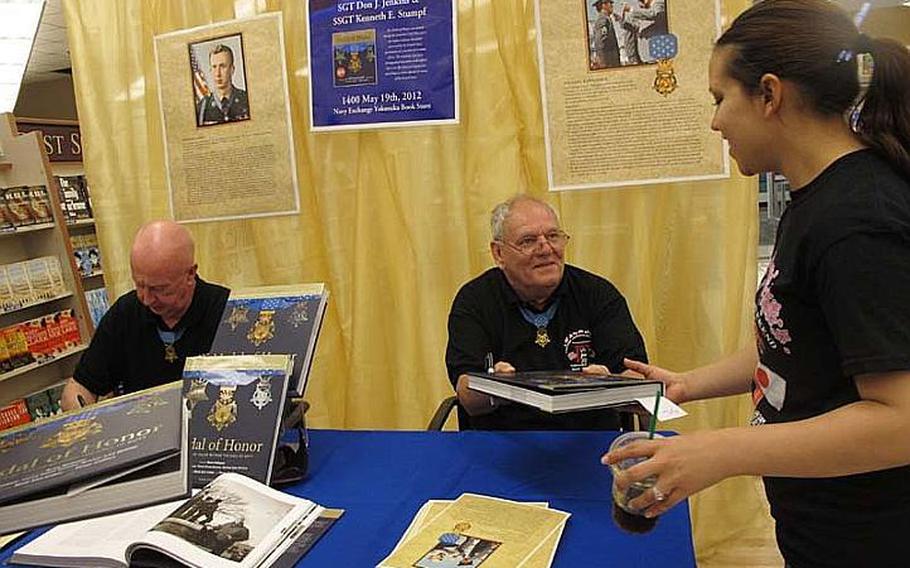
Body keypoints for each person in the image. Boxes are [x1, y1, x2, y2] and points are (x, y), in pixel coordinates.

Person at [602, 1, 910, 565]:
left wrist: (721, 451)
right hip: (817, 520)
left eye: (721, 99)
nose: (715, 121)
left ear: (769, 95)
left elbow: (901, 421)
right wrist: (689, 384)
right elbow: (793, 337)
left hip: (872, 536)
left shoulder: (858, 221)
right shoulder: (815, 200)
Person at [446, 195, 647, 430]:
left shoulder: (598, 294)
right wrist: (495, 387)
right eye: (528, 241)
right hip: (504, 442)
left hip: (587, 441)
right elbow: (466, 394)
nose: (545, 249)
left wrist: (611, 384)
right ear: (498, 253)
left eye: (553, 236)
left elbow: (638, 379)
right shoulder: (474, 301)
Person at [61, 221, 230, 410]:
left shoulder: (228, 311)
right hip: (142, 431)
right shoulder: (125, 312)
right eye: (139, 285)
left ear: (190, 274)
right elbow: (78, 388)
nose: (147, 299)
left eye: (159, 289)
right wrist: (82, 419)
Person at [196, 44, 250, 125]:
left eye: (222, 66)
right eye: (214, 67)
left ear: (232, 70)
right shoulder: (202, 108)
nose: (218, 73)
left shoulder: (246, 100)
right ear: (210, 70)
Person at [590, 0, 621, 69]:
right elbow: (601, 41)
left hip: (612, 62)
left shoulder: (606, 19)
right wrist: (603, 62)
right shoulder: (603, 19)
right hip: (608, 63)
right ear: (603, 5)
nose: (612, 5)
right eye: (610, 3)